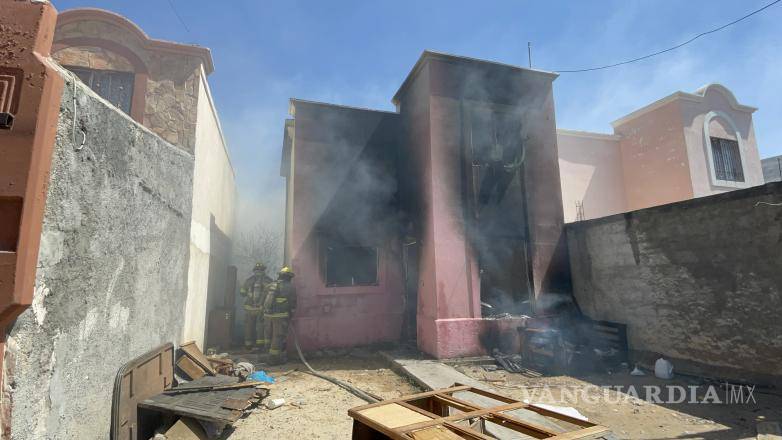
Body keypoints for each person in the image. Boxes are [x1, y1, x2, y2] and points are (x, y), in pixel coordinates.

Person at [263, 266, 296, 365]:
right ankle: (274, 359)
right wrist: (291, 314)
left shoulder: (270, 285)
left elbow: (263, 300)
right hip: (280, 316)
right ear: (289, 277)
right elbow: (293, 303)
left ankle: (267, 354)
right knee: (278, 336)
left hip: (267, 315)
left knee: (268, 335)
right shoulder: (290, 287)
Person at [239, 262, 272, 351]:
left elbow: (242, 293)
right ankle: (259, 345)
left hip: (249, 308)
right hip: (261, 308)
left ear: (254, 271)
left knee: (249, 326)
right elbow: (272, 294)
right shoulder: (269, 281)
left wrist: (247, 294)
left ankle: (248, 344)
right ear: (264, 270)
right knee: (260, 326)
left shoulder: (249, 280)